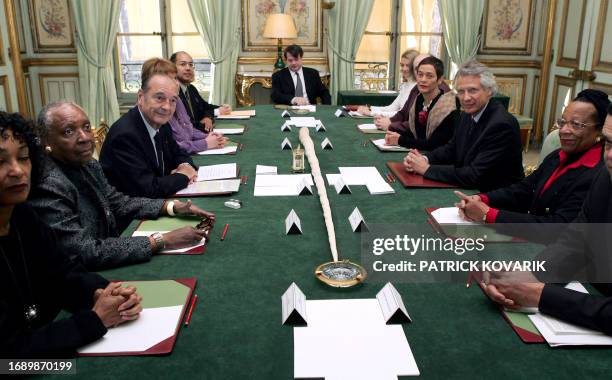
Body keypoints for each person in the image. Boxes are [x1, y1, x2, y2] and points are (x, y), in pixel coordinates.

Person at [0, 111, 143, 357]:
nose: (17, 171)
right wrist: (95, 320)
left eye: (23, 157)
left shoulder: (23, 215)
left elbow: (62, 271)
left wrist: (99, 292)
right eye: (0, 161)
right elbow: (9, 355)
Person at [30, 102, 214, 270]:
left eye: (86, 127)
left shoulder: (88, 164)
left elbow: (118, 203)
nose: (85, 137)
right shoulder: (47, 185)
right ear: (45, 140)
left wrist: (172, 207)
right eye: (69, 131)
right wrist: (161, 240)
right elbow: (84, 252)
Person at [482, 104, 612, 335]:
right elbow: (576, 241)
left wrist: (541, 295)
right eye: (609, 143)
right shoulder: (606, 176)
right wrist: (528, 276)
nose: (609, 156)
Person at [454, 90, 609, 235]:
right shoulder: (558, 155)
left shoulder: (599, 173)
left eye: (576, 124)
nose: (564, 130)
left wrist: (489, 215)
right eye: (562, 122)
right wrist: (482, 199)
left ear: (600, 131)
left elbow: (558, 227)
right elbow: (525, 189)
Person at [403, 60, 524, 192]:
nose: (466, 98)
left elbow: (475, 175)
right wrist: (424, 159)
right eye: (461, 91)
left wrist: (426, 169)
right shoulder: (467, 114)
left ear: (489, 91)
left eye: (472, 90)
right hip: (471, 190)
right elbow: (452, 149)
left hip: (495, 198)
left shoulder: (501, 125)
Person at [100, 73, 197, 198]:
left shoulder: (161, 123)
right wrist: (184, 176)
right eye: (159, 98)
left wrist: (185, 166)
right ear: (141, 97)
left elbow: (178, 152)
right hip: (132, 213)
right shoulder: (125, 135)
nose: (167, 107)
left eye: (173, 100)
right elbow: (148, 190)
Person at [142, 57, 227, 154]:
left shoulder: (176, 99)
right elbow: (174, 146)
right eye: (172, 79)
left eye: (175, 78)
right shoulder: (157, 111)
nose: (176, 83)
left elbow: (188, 128)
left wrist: (207, 137)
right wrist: (205, 143)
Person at [384, 56, 459, 150]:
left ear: (440, 80)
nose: (423, 80)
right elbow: (416, 134)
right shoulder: (419, 99)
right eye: (420, 75)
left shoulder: (447, 106)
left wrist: (400, 140)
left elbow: (436, 144)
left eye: (429, 76)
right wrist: (396, 135)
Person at [374, 54, 451, 132]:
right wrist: (390, 121)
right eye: (419, 71)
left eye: (429, 75)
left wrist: (392, 126)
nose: (423, 79)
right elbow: (403, 112)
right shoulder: (416, 88)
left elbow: (421, 127)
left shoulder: (443, 94)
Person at [170, 51, 231, 133]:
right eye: (183, 64)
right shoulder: (172, 92)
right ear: (172, 68)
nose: (188, 68)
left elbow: (204, 107)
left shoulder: (191, 88)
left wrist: (220, 108)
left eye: (191, 65)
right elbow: (186, 125)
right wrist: (212, 116)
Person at [356, 49, 419, 117]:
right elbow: (392, 108)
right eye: (402, 65)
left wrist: (371, 113)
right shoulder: (405, 85)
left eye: (407, 65)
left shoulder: (417, 87)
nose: (403, 69)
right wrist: (370, 108)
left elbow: (401, 114)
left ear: (414, 67)